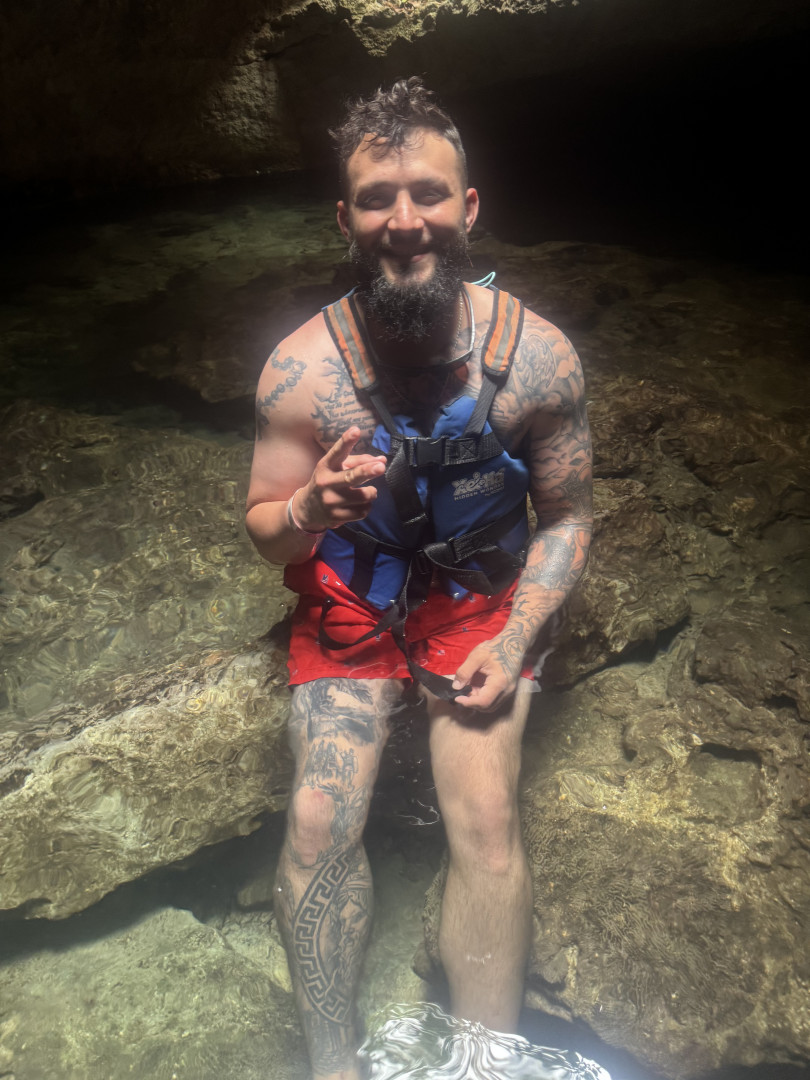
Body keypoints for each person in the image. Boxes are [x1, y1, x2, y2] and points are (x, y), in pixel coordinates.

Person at [246, 76, 592, 1080]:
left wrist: (515, 640)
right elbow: (265, 533)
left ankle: (481, 1065)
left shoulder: (539, 360)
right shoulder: (301, 371)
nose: (406, 222)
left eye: (429, 194)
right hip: (353, 599)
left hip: (480, 600)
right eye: (377, 200)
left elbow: (568, 519)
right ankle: (334, 1067)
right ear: (344, 218)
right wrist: (307, 513)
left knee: (483, 818)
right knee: (318, 819)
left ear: (468, 206)